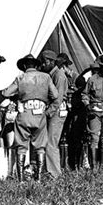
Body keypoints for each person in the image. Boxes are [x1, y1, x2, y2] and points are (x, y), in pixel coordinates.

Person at [2, 54, 59, 182]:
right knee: (40, 146)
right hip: (40, 115)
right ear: (36, 65)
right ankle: (38, 178)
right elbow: (55, 95)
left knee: (21, 146)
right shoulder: (46, 77)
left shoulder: (21, 78)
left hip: (24, 114)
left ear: (24, 66)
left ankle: (21, 179)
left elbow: (6, 93)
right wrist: (48, 110)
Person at [40, 50, 68, 178]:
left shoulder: (59, 76)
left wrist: (47, 112)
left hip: (56, 111)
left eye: (44, 62)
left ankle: (54, 174)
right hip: (53, 110)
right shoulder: (51, 74)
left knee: (51, 142)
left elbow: (58, 99)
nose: (42, 65)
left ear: (51, 62)